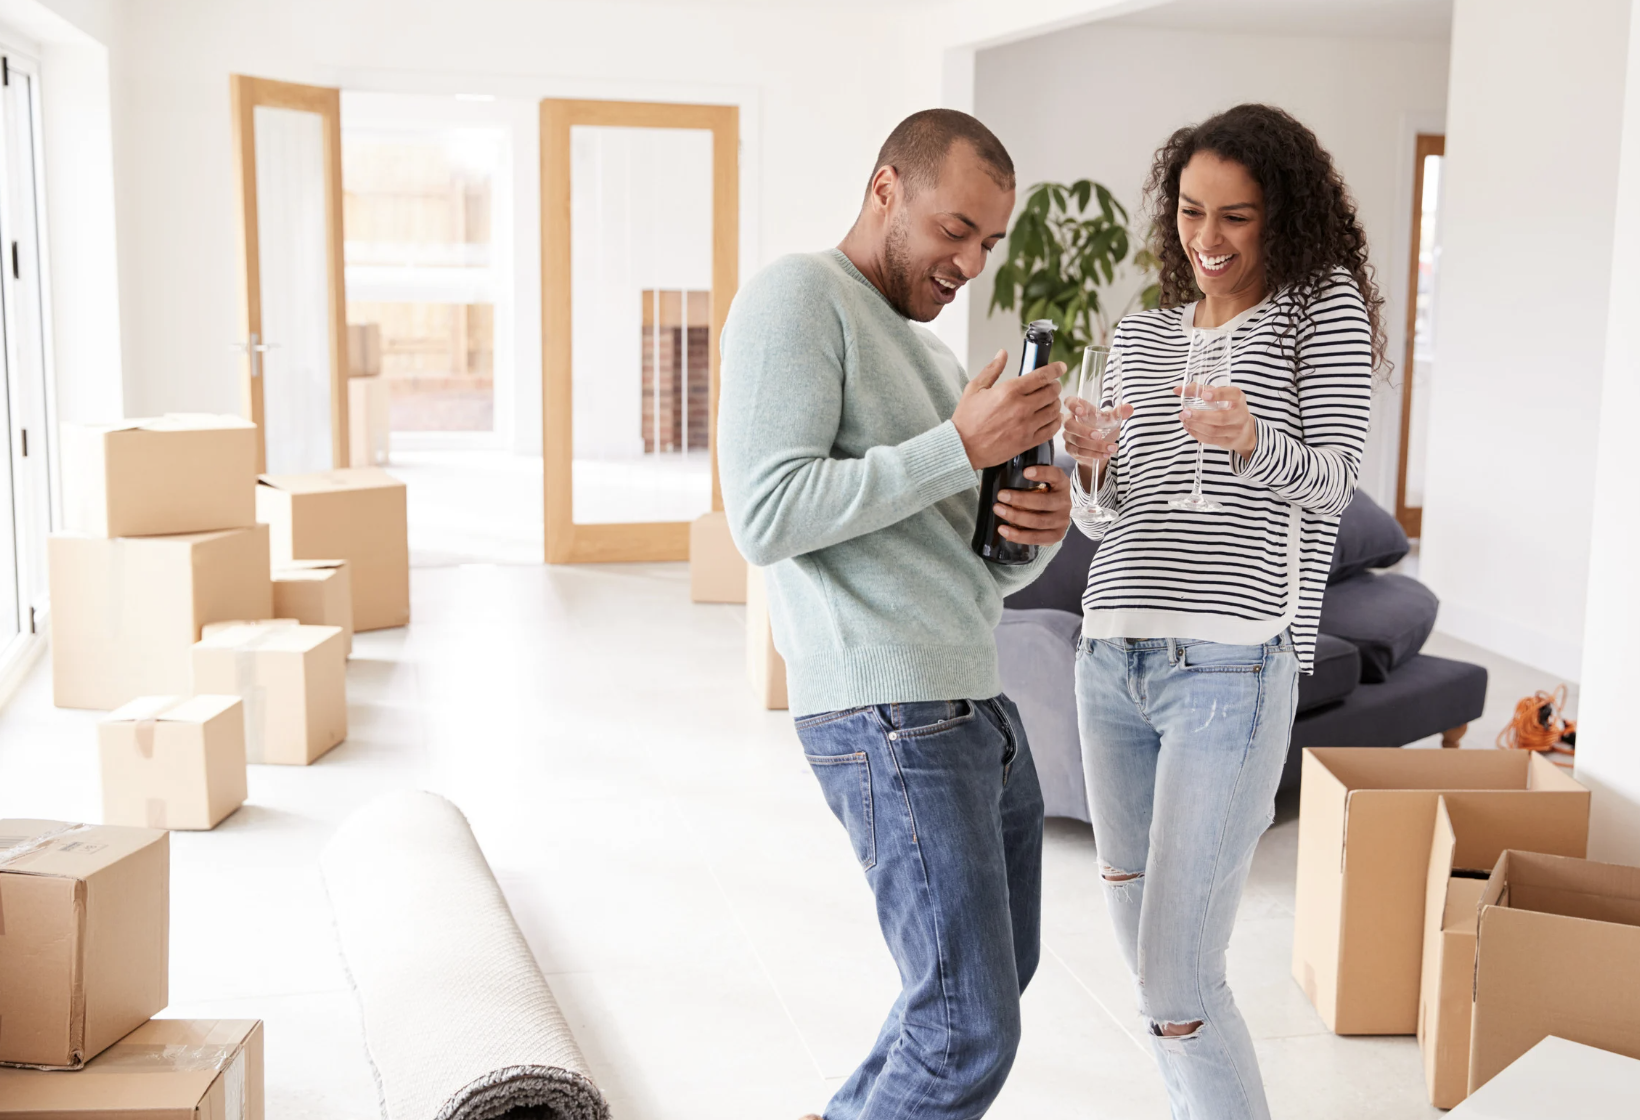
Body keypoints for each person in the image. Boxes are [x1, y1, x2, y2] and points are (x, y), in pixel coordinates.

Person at [717, 109, 1072, 1120]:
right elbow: (765, 513)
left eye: (987, 242)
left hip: (973, 702)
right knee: (965, 1026)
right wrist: (957, 448)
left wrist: (1027, 533)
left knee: (983, 991)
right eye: (954, 228)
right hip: (891, 711)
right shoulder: (797, 297)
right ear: (886, 190)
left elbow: (954, 572)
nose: (969, 260)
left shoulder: (923, 359)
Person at [1061, 103, 1379, 1120]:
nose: (1208, 238)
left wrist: (1250, 441)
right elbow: (1106, 518)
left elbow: (1330, 482)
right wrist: (1091, 464)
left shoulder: (1315, 308)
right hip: (1108, 652)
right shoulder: (1142, 335)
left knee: (1176, 986)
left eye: (1235, 217)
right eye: (1192, 212)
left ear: (1281, 216)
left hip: (1229, 663)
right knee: (1147, 958)